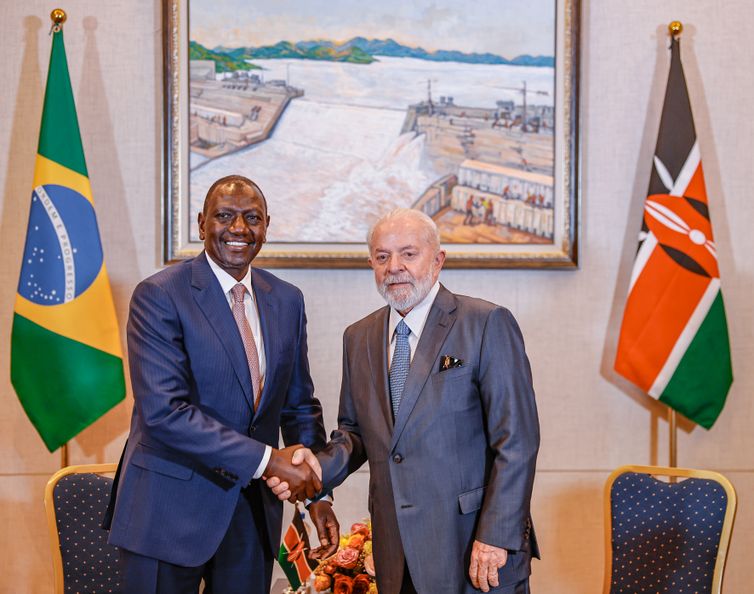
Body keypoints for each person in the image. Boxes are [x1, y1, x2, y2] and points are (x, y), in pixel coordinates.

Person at [270, 208, 540, 594]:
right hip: (395, 548)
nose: (394, 266)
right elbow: (354, 433)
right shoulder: (358, 337)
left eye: (408, 254)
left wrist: (496, 535)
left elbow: (517, 441)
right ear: (371, 264)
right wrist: (314, 469)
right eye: (382, 257)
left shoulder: (486, 323)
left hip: (472, 546)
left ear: (438, 259)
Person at [105, 175, 339, 594]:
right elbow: (164, 413)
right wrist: (270, 461)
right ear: (201, 224)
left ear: (267, 225)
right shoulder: (159, 295)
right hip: (166, 511)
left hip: (250, 516)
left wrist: (317, 494)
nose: (238, 229)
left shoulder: (286, 299)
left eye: (252, 218)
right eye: (224, 216)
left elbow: (299, 405)